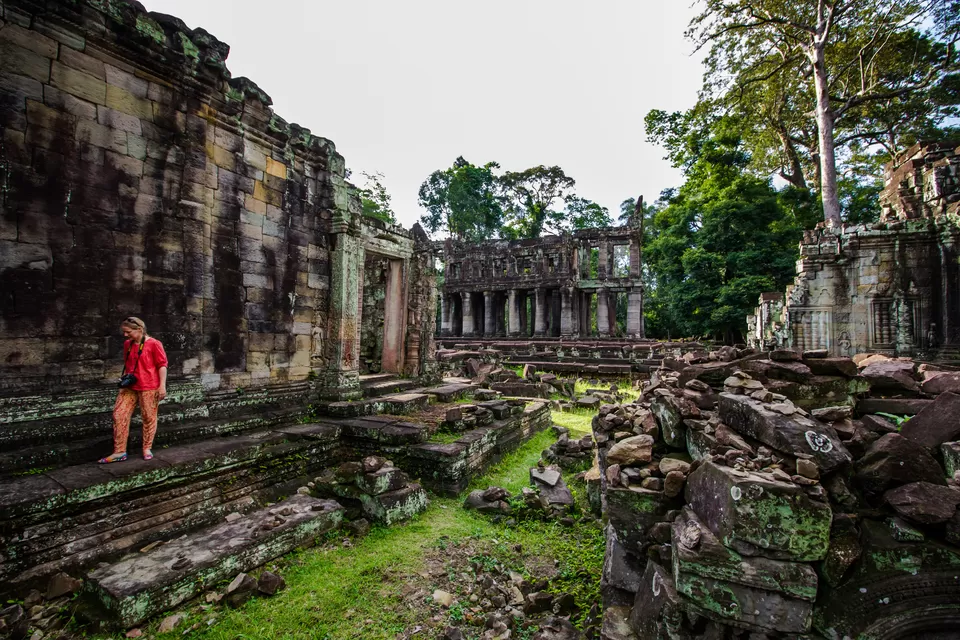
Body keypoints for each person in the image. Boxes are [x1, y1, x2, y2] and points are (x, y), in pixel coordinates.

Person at [99, 317, 168, 463]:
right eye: (124, 332)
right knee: (119, 415)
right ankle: (120, 451)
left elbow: (162, 365)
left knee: (149, 417)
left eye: (128, 332)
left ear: (139, 330)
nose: (125, 335)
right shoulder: (127, 344)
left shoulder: (154, 344)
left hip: (149, 385)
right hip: (130, 386)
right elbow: (128, 363)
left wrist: (162, 386)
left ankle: (146, 448)